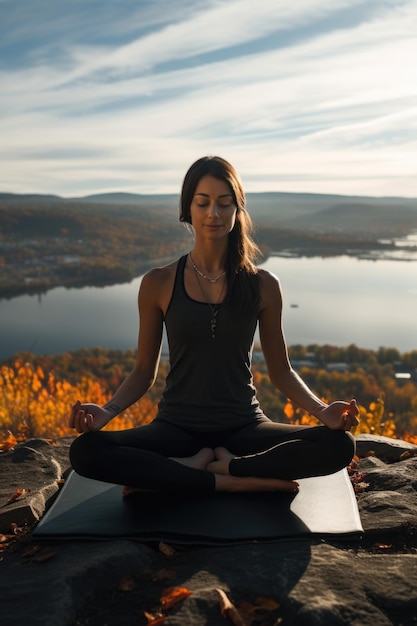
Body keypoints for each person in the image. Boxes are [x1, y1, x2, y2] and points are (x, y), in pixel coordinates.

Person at [69, 155, 359, 495]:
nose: (214, 214)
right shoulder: (158, 283)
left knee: (340, 445)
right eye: (203, 202)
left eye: (224, 203)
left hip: (244, 427)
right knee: (85, 452)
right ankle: (229, 480)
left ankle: (214, 469)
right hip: (175, 428)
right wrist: (107, 411)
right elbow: (143, 372)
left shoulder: (263, 285)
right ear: (187, 209)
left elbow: (281, 371)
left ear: (238, 210)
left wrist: (324, 412)